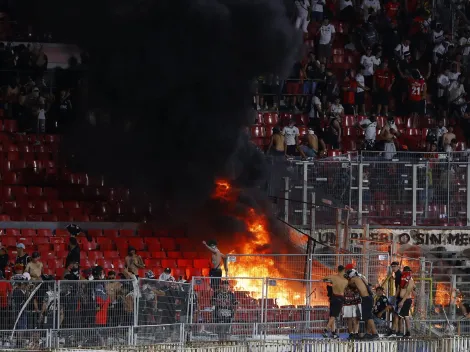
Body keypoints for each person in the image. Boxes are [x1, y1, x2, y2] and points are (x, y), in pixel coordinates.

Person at [346, 268, 378, 339]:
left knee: (369, 317)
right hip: (368, 298)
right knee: (367, 317)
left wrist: (344, 279)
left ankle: (375, 333)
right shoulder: (361, 278)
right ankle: (369, 333)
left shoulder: (354, 279)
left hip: (366, 298)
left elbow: (348, 284)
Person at [388, 266, 415, 337]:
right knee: (406, 316)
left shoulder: (410, 280)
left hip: (405, 300)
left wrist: (402, 301)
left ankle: (393, 331)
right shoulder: (403, 278)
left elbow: (407, 292)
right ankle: (408, 333)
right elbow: (399, 289)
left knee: (397, 315)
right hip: (402, 299)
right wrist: (395, 298)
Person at [322, 265, 348, 338]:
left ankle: (333, 332)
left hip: (333, 298)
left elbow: (324, 278)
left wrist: (329, 281)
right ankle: (326, 330)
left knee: (332, 315)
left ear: (338, 270)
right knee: (334, 316)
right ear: (343, 271)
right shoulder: (346, 280)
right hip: (339, 298)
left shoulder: (333, 277)